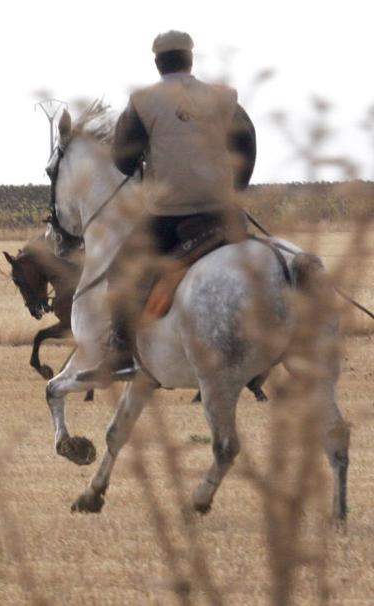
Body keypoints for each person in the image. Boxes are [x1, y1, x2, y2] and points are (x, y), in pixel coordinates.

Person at [82, 30, 257, 383]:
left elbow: (122, 160)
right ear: (191, 59)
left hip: (168, 216)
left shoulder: (144, 101)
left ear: (158, 62)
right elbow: (247, 144)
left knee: (119, 272)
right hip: (221, 213)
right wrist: (235, 190)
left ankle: (120, 354)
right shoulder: (224, 98)